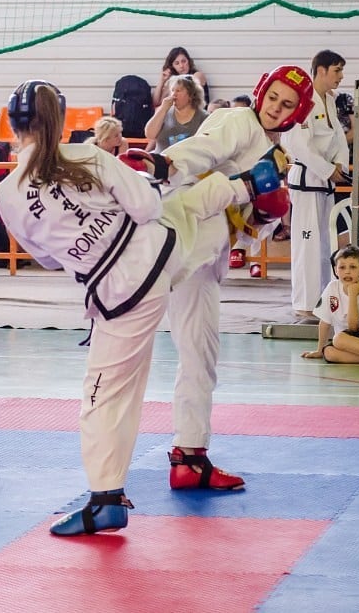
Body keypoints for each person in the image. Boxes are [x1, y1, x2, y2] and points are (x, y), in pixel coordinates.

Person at [0, 78, 297, 536]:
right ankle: (243, 191)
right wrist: (168, 174)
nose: (277, 107)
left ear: (12, 123)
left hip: (124, 293)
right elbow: (146, 205)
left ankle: (105, 500)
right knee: (182, 209)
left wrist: (85, 241)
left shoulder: (7, 193)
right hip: (161, 250)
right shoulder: (89, 156)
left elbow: (46, 258)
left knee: (105, 395)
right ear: (62, 119)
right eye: (274, 98)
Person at [119, 66, 313, 502]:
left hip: (205, 258)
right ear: (262, 92)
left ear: (294, 114)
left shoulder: (277, 156)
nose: (275, 108)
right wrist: (164, 163)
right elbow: (201, 151)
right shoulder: (238, 120)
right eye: (274, 97)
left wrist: (265, 215)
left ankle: (189, 457)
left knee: (201, 356)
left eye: (286, 105)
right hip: (178, 237)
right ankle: (105, 480)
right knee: (126, 352)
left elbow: (253, 227)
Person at [281, 49, 350, 322]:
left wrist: (339, 167)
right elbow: (297, 143)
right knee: (306, 245)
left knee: (324, 245)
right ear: (320, 70)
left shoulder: (329, 101)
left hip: (326, 182)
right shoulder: (303, 100)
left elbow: (339, 140)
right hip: (308, 181)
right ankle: (304, 304)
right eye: (337, 71)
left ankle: (321, 300)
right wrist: (326, 170)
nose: (341, 77)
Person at [145, 74, 208, 154]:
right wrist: (163, 109)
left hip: (189, 162)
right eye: (172, 90)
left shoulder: (203, 117)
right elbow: (150, 134)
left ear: (191, 95)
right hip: (161, 160)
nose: (174, 94)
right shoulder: (163, 112)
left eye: (178, 91)